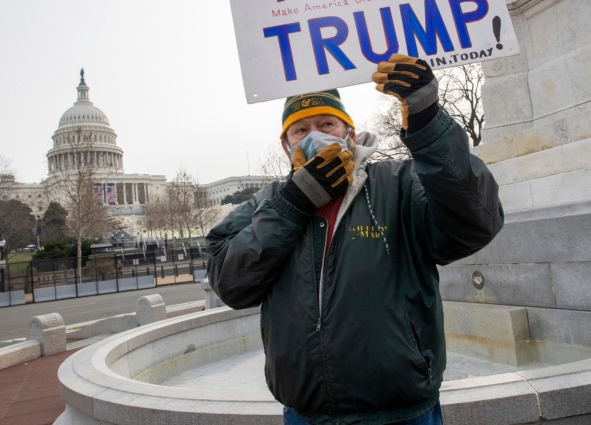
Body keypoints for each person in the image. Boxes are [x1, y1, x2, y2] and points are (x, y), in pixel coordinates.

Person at [207, 54, 504, 425]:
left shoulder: (399, 183)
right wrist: (295, 203)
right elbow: (230, 282)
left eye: (327, 123)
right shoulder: (265, 203)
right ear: (286, 144)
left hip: (401, 413)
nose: (314, 134)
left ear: (349, 132)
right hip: (306, 414)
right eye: (300, 129)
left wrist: (428, 121)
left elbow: (474, 224)